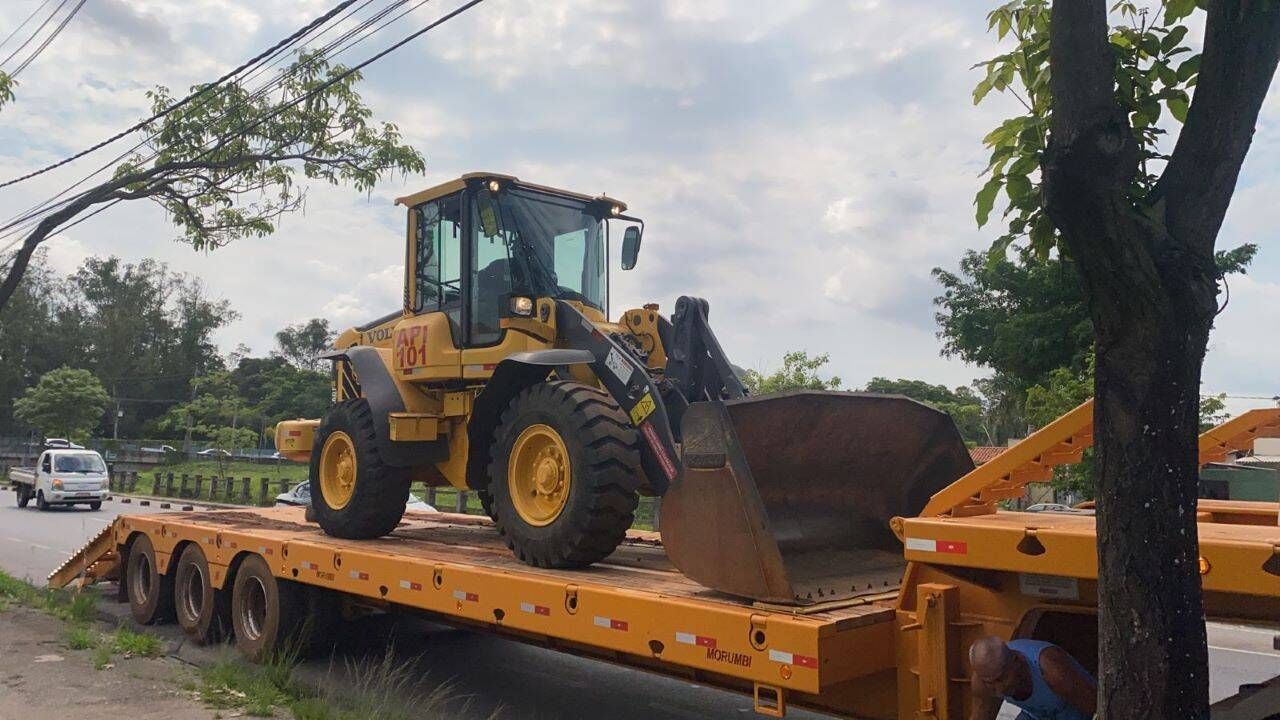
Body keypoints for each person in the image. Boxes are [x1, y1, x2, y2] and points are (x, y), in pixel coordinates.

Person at [968, 635, 1097, 720]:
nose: (999, 689)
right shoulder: (983, 683)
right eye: (991, 682)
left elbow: (1099, 710)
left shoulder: (1053, 672)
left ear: (1016, 661)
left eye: (1002, 678)